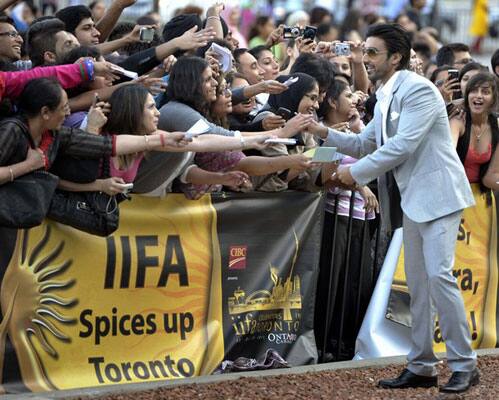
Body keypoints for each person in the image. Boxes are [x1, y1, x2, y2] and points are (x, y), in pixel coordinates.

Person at [308, 23, 478, 394]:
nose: (365, 59)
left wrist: (353, 175)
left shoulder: (417, 90)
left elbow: (401, 147)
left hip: (440, 196)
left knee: (438, 277)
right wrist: (321, 134)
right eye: (364, 52)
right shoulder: (383, 94)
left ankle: (465, 364)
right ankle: (422, 367)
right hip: (413, 201)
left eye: (372, 53)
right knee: (417, 286)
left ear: (395, 57)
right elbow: (366, 143)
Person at [450, 72, 498, 191]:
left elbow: (491, 178)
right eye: (474, 91)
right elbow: (447, 156)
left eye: (485, 92)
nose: (479, 95)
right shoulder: (458, 122)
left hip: (483, 199)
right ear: (467, 96)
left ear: (493, 99)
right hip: (456, 196)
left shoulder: (496, 126)